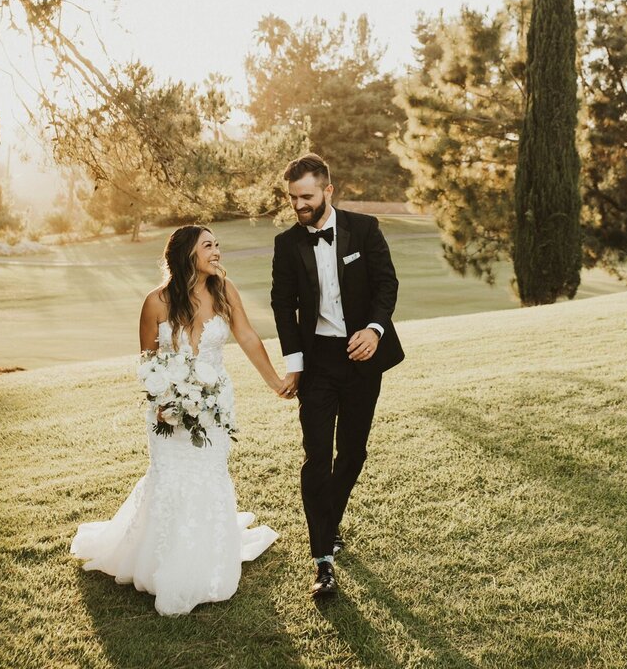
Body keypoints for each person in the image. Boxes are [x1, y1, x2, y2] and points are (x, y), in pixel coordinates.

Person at [70, 225, 288, 615]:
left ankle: (207, 556)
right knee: (171, 476)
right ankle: (163, 561)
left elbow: (249, 338)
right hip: (169, 408)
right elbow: (148, 362)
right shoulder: (154, 302)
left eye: (217, 244)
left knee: (209, 472)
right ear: (189, 254)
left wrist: (276, 383)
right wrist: (163, 401)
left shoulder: (224, 290)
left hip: (216, 402)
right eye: (209, 246)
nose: (217, 251)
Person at [270, 153, 404, 597]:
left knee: (353, 453)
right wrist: (294, 364)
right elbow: (281, 304)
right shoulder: (287, 244)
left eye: (306, 196)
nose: (298, 206)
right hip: (319, 362)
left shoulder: (364, 229)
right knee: (316, 456)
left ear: (328, 190)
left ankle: (327, 523)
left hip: (363, 357)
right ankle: (322, 559)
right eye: (293, 198)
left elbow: (387, 284)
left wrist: (374, 328)